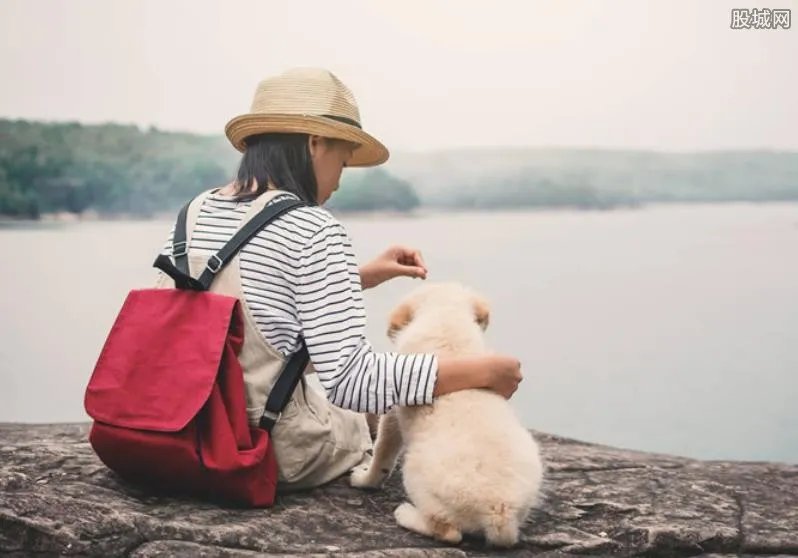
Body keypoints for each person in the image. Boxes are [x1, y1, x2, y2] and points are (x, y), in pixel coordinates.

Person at [156, 67, 522, 491]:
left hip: (177, 427)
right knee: (373, 416)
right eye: (343, 161)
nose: (341, 180)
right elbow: (353, 381)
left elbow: (234, 303)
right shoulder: (313, 227)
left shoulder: (196, 210)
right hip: (254, 446)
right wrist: (479, 370)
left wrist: (357, 277)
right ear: (315, 143)